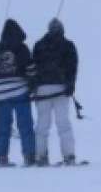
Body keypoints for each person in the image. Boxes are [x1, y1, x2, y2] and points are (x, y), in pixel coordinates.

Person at [31, 18, 79, 166]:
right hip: (61, 89)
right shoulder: (68, 45)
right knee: (63, 124)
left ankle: (40, 156)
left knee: (42, 125)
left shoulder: (39, 45)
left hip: (42, 89)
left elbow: (33, 67)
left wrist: (33, 87)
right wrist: (71, 85)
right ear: (62, 30)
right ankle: (69, 155)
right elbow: (72, 67)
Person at [0, 19, 36, 166]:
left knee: (3, 126)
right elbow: (29, 69)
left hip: (0, 93)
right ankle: (29, 155)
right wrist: (32, 84)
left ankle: (1, 156)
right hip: (19, 91)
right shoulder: (21, 48)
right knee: (25, 125)